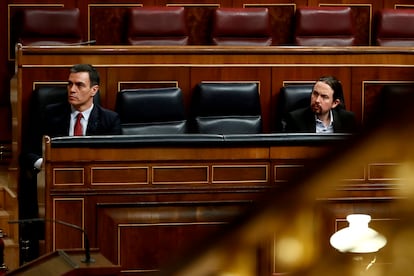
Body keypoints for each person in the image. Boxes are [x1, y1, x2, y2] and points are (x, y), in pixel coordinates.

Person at [18, 64, 121, 262]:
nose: (72, 90)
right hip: (54, 186)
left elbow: (113, 162)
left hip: (93, 188)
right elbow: (27, 154)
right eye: (69, 84)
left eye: (79, 85)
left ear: (94, 90)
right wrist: (45, 165)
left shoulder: (110, 120)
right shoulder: (50, 114)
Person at [283, 76, 357, 133]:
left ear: (335, 103)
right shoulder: (295, 119)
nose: (317, 100)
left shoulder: (347, 120)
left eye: (324, 97)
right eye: (315, 94)